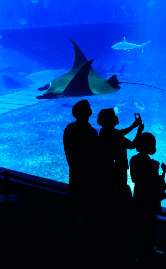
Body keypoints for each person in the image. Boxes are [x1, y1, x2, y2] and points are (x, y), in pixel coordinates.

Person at [97, 108, 143, 260]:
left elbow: (119, 133)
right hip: (118, 173)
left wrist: (133, 125)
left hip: (108, 172)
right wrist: (139, 131)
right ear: (110, 120)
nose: (117, 117)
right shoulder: (114, 134)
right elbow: (132, 145)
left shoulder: (104, 132)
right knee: (122, 201)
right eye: (114, 116)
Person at [63, 99, 99, 234]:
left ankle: (71, 232)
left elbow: (69, 151)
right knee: (88, 207)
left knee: (73, 204)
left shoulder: (69, 128)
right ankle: (86, 234)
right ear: (88, 113)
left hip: (75, 172)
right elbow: (96, 155)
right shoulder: (91, 132)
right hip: (89, 176)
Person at [130, 132, 166, 258]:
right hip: (149, 198)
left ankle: (134, 252)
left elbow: (135, 179)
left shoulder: (134, 159)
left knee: (138, 225)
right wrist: (159, 172)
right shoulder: (152, 163)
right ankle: (148, 250)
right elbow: (151, 182)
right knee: (148, 226)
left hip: (139, 195)